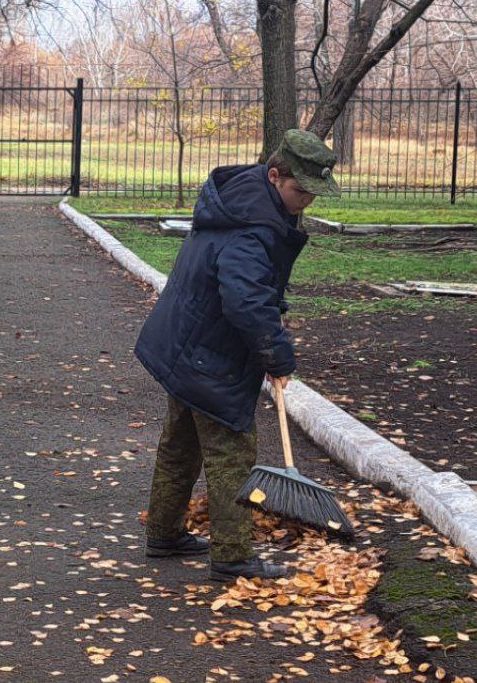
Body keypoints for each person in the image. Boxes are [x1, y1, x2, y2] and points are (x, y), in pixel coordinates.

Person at [135, 128, 341, 580]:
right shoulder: (252, 227)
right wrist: (276, 355)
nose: (307, 200)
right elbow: (246, 301)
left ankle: (165, 534)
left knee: (181, 443)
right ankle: (233, 556)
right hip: (209, 352)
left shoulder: (241, 201)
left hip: (187, 341)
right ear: (274, 176)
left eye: (313, 193)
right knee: (232, 449)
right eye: (300, 190)